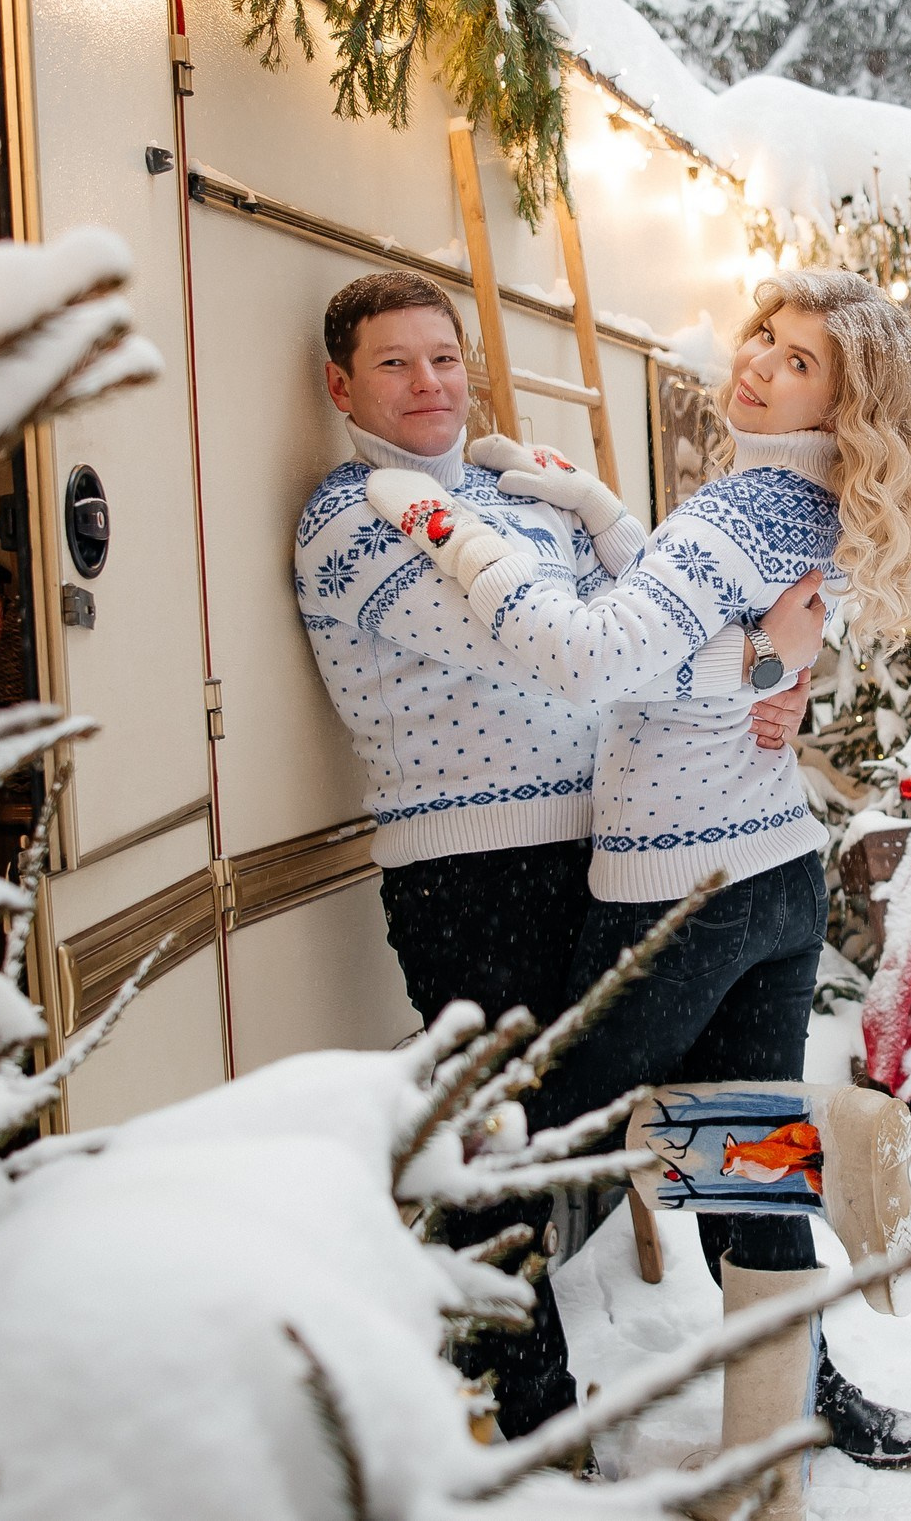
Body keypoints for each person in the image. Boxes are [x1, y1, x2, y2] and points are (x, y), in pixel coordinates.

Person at [369, 270, 911, 1501]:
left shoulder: (739, 513)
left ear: (843, 399)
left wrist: (449, 531)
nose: (757, 364)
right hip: (774, 877)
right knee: (741, 1145)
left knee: (522, 1142)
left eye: (799, 361)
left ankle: (517, 1425)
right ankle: (794, 1398)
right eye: (765, 338)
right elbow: (687, 642)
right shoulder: (810, 506)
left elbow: (589, 662)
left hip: (676, 893)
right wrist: (599, 514)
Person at [290, 270, 823, 1437]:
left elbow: (643, 623)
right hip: (470, 876)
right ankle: (527, 1418)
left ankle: (794, 1382)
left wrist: (748, 654)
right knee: (512, 1146)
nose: (427, 381)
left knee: (729, 1117)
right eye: (392, 362)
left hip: (616, 848)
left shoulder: (516, 487)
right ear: (342, 384)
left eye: (442, 356)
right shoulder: (353, 521)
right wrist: (757, 660)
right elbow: (557, 652)